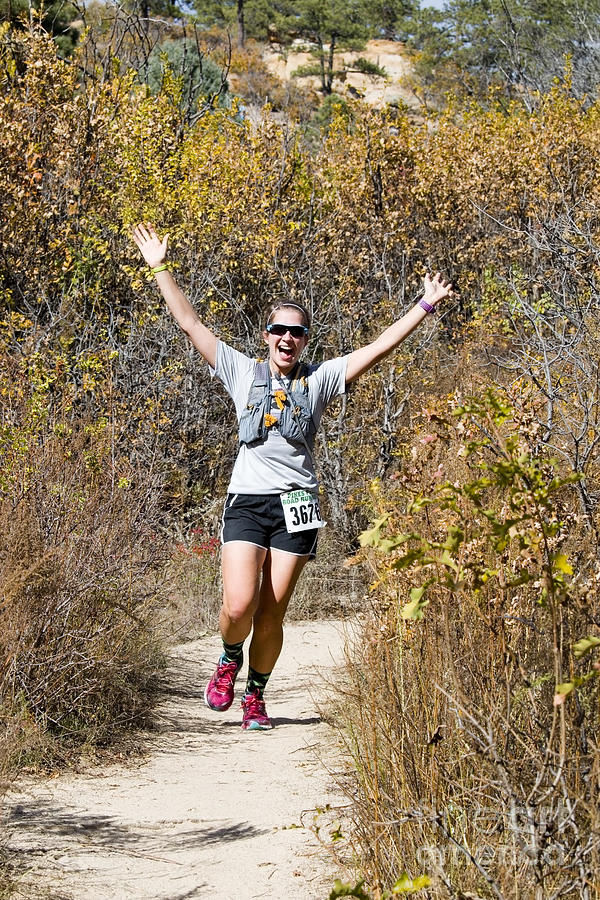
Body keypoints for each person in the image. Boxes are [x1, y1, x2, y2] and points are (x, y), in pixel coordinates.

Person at [132, 223, 453, 731]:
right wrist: (159, 268)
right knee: (239, 605)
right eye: (278, 330)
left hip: (296, 507)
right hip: (247, 501)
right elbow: (191, 324)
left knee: (272, 612)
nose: (287, 338)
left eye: (296, 331)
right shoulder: (242, 371)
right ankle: (228, 657)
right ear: (266, 336)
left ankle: (255, 697)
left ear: (305, 340)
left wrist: (423, 306)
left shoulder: (320, 379)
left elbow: (377, 349)